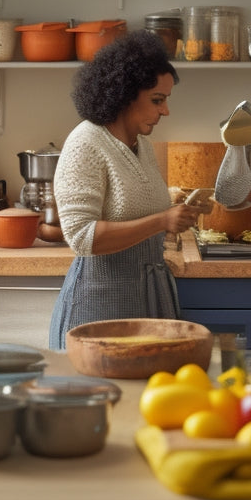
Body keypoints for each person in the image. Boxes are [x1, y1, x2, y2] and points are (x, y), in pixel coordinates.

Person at [48, 29, 210, 350]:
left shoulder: (142, 144)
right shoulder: (86, 142)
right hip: (97, 305)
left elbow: (136, 207)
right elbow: (81, 237)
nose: (165, 111)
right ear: (124, 94)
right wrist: (163, 221)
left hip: (147, 299)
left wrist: (179, 209)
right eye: (157, 100)